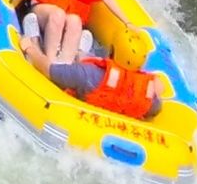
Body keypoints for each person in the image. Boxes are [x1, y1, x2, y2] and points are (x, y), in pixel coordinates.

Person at [18, 24, 162, 122]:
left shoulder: (88, 74)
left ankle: (77, 52)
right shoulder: (150, 97)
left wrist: (29, 49)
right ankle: (82, 52)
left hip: (77, 115)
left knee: (70, 70)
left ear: (112, 51)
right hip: (113, 124)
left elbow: (50, 70)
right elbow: (154, 111)